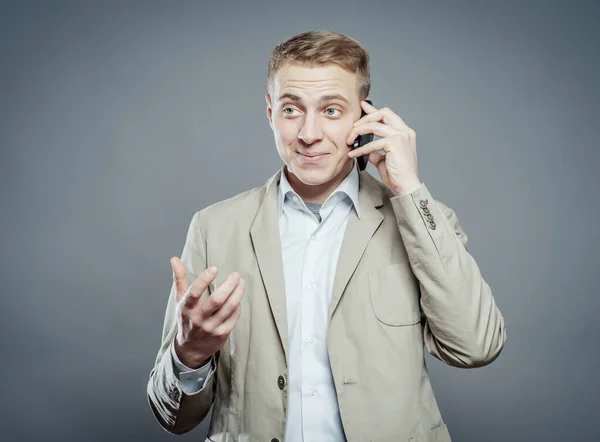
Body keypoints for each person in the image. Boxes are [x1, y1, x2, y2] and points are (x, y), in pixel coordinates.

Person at [147, 30, 506, 442]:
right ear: (270, 112)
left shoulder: (425, 220)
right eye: (291, 109)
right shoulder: (213, 228)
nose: (309, 133)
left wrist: (408, 188)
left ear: (365, 116)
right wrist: (188, 355)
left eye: (332, 110)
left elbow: (476, 346)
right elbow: (173, 418)